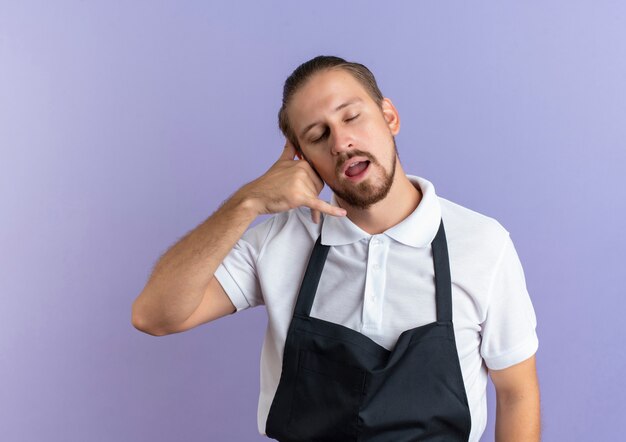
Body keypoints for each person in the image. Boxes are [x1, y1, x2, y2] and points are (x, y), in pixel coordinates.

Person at [132, 55, 541, 441]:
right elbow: (155, 315)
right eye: (318, 134)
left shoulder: (482, 244)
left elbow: (516, 392)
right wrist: (248, 202)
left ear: (389, 117)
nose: (341, 141)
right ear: (303, 160)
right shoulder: (278, 241)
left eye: (351, 117)